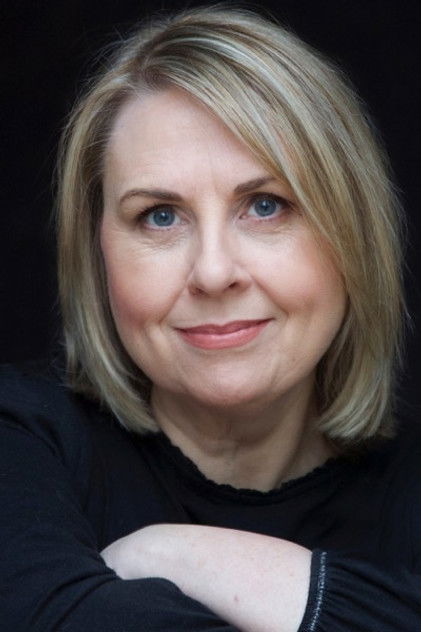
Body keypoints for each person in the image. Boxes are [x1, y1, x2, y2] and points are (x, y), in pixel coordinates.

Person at [1, 5, 420, 631]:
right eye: (160, 217)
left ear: (352, 235)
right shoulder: (21, 444)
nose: (214, 272)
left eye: (266, 205)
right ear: (97, 253)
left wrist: (182, 557)